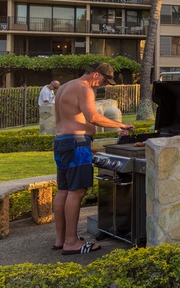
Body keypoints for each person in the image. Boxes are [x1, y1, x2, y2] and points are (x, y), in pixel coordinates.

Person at [53, 62, 133, 255]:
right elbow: (93, 117)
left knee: (63, 190)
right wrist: (120, 125)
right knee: (77, 191)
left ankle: (61, 239)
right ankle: (72, 242)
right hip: (77, 144)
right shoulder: (84, 88)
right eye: (105, 80)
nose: (103, 84)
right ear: (96, 74)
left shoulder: (65, 87)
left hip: (61, 142)